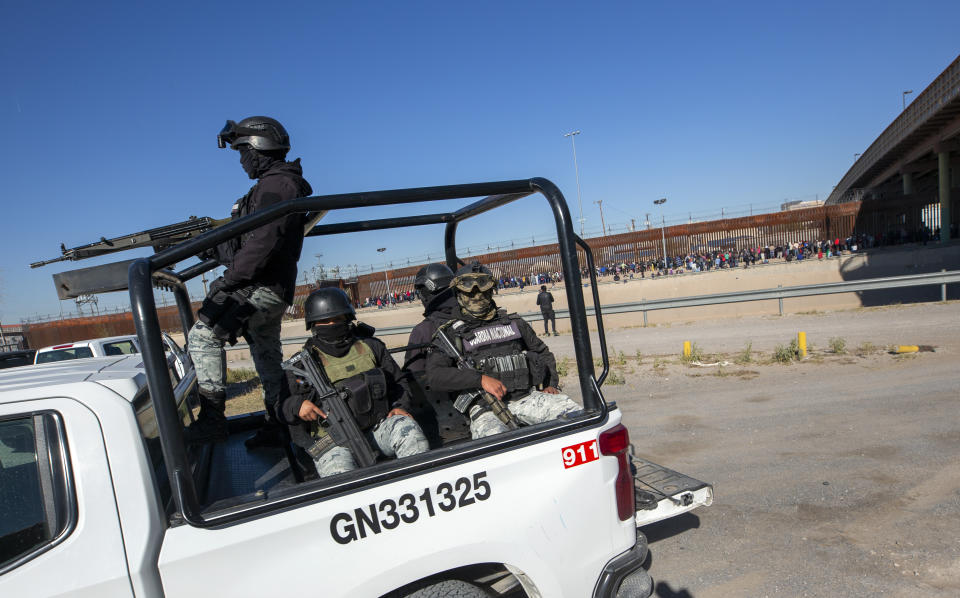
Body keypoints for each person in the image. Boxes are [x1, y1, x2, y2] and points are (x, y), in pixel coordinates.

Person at [185, 116, 313, 445]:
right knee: (267, 359)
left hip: (260, 287)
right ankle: (280, 425)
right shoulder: (274, 185)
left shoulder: (277, 186)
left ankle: (212, 420)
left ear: (256, 149)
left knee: (202, 336)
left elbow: (264, 242)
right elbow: (248, 242)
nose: (241, 161)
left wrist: (229, 281)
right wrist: (207, 245)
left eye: (242, 152)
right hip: (270, 288)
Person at [279, 288, 429, 477]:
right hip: (334, 442)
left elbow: (399, 382)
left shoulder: (371, 347)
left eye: (338, 319)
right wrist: (297, 405)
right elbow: (280, 406)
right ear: (314, 325)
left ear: (348, 318)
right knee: (339, 477)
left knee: (411, 435)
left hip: (378, 427)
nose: (332, 324)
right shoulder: (301, 364)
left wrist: (400, 406)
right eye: (325, 321)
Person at [425, 263, 580, 439]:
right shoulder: (451, 334)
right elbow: (435, 375)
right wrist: (480, 379)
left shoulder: (513, 322)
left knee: (575, 415)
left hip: (526, 399)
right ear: (458, 293)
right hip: (486, 410)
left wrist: (551, 384)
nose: (477, 295)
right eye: (469, 291)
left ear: (491, 290)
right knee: (495, 442)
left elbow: (542, 352)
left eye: (483, 289)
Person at [401, 263, 462, 446]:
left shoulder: (422, 331)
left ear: (428, 291)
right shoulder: (470, 319)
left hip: (445, 421)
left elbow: (414, 378)